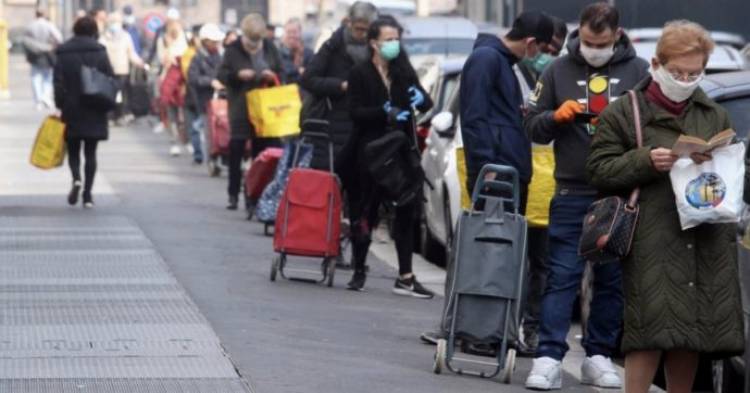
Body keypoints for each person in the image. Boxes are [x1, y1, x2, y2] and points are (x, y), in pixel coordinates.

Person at [587, 20, 746, 393]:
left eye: (695, 72)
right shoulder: (626, 111)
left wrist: (727, 161)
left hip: (704, 232)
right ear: (656, 64)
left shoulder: (712, 113)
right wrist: (646, 160)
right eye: (678, 71)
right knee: (648, 329)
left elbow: (732, 170)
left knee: (690, 333)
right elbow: (598, 169)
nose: (686, 79)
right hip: (653, 236)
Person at [523, 3, 650, 390]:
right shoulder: (557, 70)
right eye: (589, 41)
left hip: (617, 192)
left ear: (617, 34)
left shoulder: (638, 71)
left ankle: (598, 355)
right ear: (580, 32)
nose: (594, 49)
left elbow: (653, 123)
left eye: (602, 42)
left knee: (611, 279)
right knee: (562, 275)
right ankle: (548, 355)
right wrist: (554, 117)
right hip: (570, 189)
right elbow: (531, 125)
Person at [345, 16, 434, 297]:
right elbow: (355, 112)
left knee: (406, 211)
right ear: (373, 43)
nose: (394, 45)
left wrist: (420, 99)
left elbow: (424, 100)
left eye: (397, 39)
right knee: (365, 211)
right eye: (388, 40)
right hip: (369, 153)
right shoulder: (360, 72)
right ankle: (359, 269)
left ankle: (406, 276)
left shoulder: (402, 70)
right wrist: (383, 112)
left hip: (399, 152)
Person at [515, 15, 567, 358]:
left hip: (550, 188)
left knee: (543, 266)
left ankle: (531, 330)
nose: (549, 54)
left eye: (555, 49)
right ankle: (503, 326)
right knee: (511, 262)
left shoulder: (564, 77)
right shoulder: (515, 71)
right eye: (546, 47)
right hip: (518, 179)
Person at [217, 13, 283, 211]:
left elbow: (282, 71)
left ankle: (254, 195)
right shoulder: (233, 49)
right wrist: (238, 75)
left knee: (261, 154)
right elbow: (221, 74)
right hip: (240, 107)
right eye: (250, 40)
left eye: (257, 40)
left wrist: (272, 76)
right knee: (236, 149)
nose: (254, 44)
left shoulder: (270, 47)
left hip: (265, 109)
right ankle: (233, 194)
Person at [53, 16, 115, 208]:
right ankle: (88, 195)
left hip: (72, 106)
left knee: (73, 149)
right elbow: (109, 78)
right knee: (91, 152)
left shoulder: (63, 52)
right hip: (95, 107)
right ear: (93, 31)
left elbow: (57, 82)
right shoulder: (100, 51)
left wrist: (60, 103)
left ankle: (76, 179)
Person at [188, 23, 225, 166]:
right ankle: (209, 158)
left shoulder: (221, 56)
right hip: (204, 101)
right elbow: (193, 78)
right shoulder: (197, 58)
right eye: (213, 41)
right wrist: (210, 82)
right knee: (206, 130)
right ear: (205, 41)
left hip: (222, 100)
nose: (216, 44)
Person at [100, 12, 146, 125]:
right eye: (112, 22)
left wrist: (140, 62)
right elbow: (100, 52)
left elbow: (131, 53)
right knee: (109, 94)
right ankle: (110, 116)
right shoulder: (104, 37)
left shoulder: (126, 37)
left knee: (120, 94)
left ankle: (119, 115)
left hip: (122, 70)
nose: (115, 24)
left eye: (117, 22)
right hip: (108, 71)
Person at [157, 18, 188, 156]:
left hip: (182, 80)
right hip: (168, 79)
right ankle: (174, 141)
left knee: (183, 113)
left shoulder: (184, 39)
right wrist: (169, 47)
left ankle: (186, 140)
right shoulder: (162, 41)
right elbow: (163, 60)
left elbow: (187, 59)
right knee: (171, 112)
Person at [24, 8, 62, 110]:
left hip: (34, 54)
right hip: (48, 53)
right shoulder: (49, 25)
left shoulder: (30, 26)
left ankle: (38, 100)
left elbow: (26, 41)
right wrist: (52, 46)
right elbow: (59, 38)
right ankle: (45, 97)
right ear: (44, 14)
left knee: (35, 77)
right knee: (48, 77)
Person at [279, 18, 313, 85]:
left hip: (304, 92)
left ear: (300, 33)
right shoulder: (278, 53)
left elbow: (311, 74)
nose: (291, 35)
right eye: (288, 32)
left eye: (294, 32)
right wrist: (298, 70)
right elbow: (283, 73)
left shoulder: (309, 53)